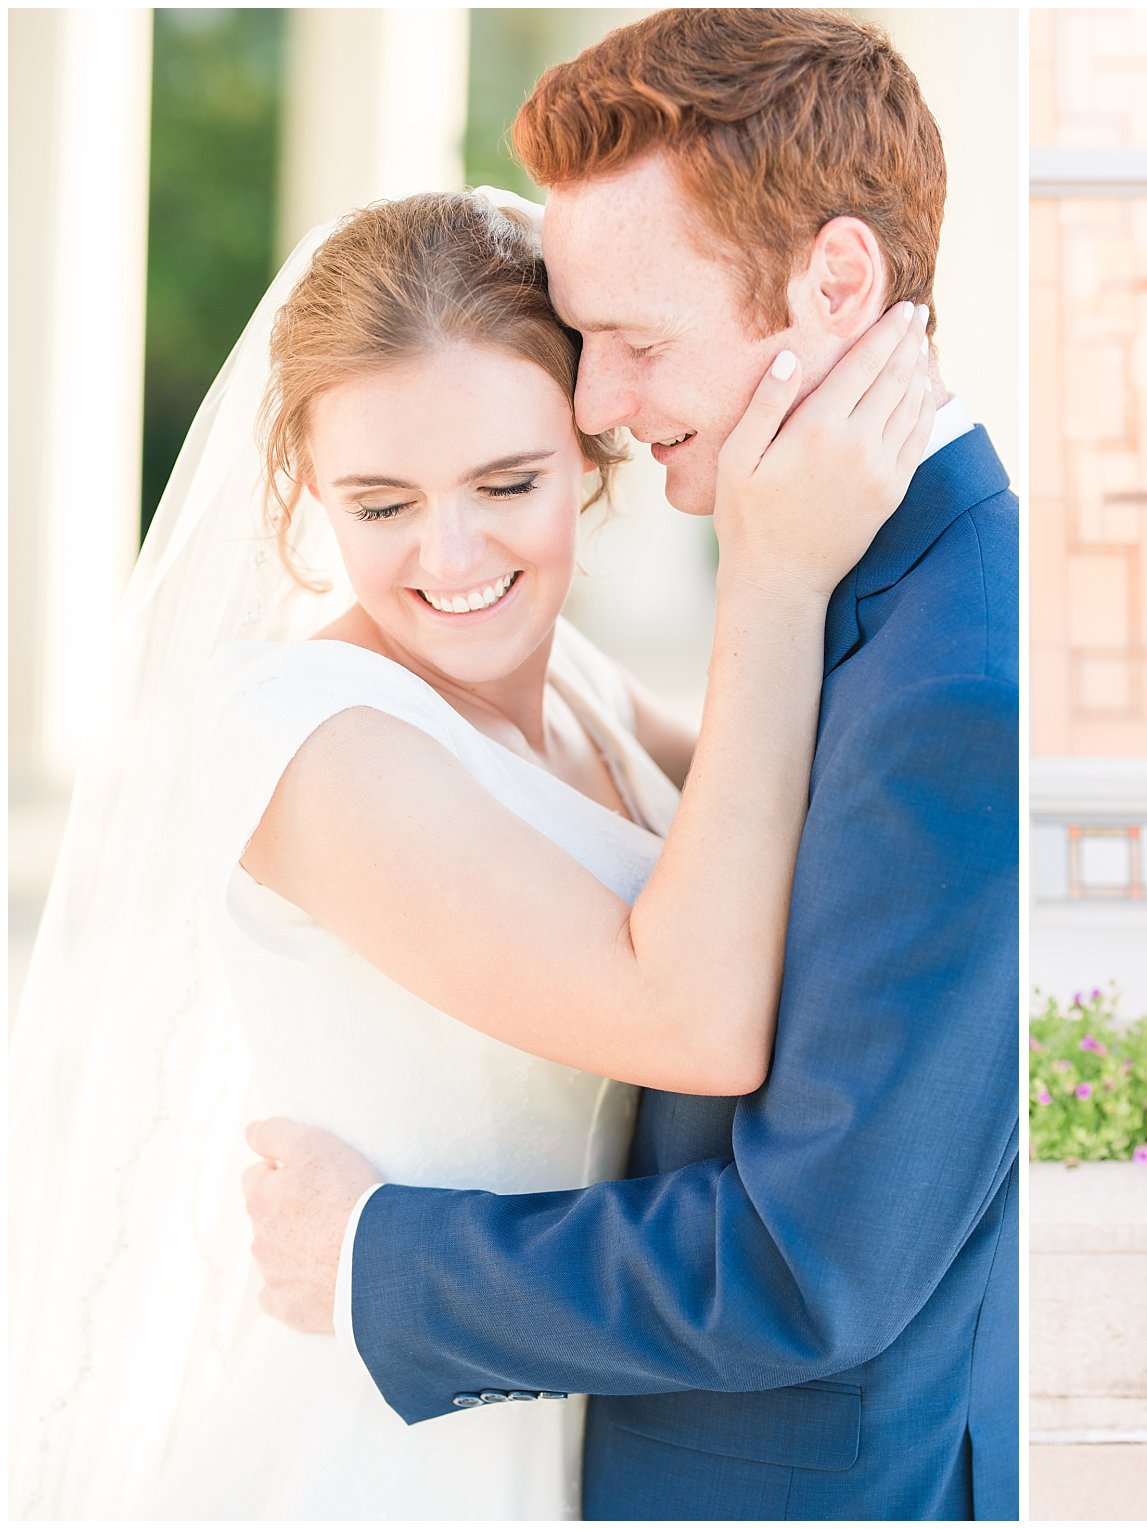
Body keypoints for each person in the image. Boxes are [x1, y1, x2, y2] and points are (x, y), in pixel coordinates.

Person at [8, 181, 929, 1518]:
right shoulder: (313, 739)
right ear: (302, 488)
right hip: (403, 1449)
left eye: (509, 483)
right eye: (381, 504)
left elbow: (831, 794)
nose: (453, 557)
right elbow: (692, 1020)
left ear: (590, 450)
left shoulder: (588, 693)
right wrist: (773, 576)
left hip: (605, 1402)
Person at [240, 11, 1021, 1521]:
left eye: (640, 343)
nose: (595, 404)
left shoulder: (946, 675)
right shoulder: (870, 595)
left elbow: (816, 1260)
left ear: (837, 284)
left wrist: (375, 1255)